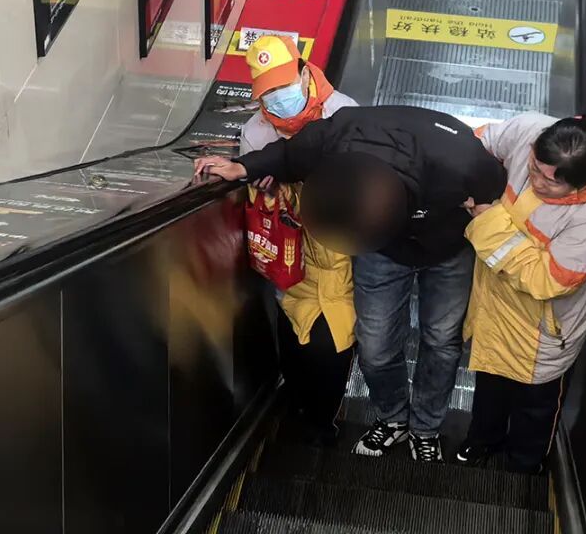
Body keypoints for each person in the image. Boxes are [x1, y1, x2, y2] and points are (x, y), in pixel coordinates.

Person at [195, 106, 507, 462]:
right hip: (382, 250)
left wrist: (483, 214)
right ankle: (392, 419)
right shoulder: (336, 136)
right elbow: (289, 155)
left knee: (441, 340)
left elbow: (498, 192)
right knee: (374, 343)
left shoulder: (463, 162)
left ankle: (425, 428)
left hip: (449, 250)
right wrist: (242, 167)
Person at [457, 112, 586, 473]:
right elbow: (473, 143)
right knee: (488, 380)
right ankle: (481, 440)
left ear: (581, 184)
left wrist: (488, 221)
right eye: (533, 167)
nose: (534, 180)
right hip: (493, 305)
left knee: (534, 405)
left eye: (549, 181)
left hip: (542, 330)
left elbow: (545, 280)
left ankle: (523, 468)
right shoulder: (529, 130)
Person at [238, 35, 359, 445]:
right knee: (293, 340)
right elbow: (256, 199)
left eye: (283, 84)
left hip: (343, 254)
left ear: (305, 73)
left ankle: (322, 422)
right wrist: (267, 190)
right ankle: (298, 410)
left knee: (332, 347)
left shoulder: (343, 113)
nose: (277, 98)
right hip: (291, 257)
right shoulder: (256, 133)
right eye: (267, 91)